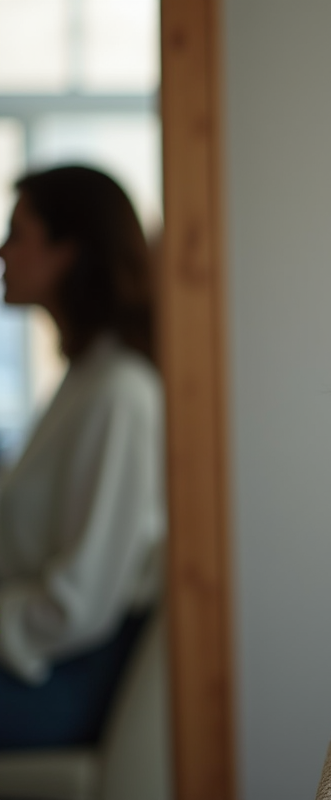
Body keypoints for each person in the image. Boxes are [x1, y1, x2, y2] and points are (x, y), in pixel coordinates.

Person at [0, 165, 164, 748]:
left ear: (68, 251)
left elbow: (83, 600)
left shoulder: (121, 392)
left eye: (17, 232)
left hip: (61, 681)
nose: (2, 250)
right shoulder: (84, 378)